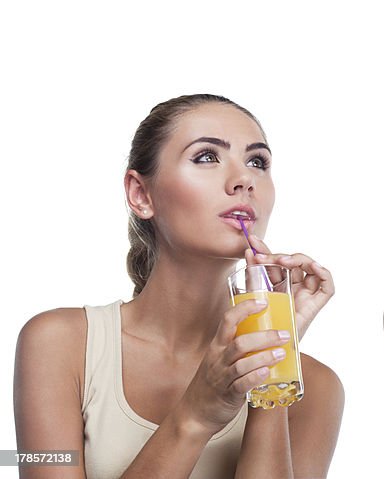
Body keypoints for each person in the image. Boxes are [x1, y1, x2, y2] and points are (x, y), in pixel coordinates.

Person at [14, 94, 344, 478]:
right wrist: (195, 415)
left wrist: (273, 370)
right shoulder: (58, 344)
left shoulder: (316, 388)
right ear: (141, 194)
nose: (244, 180)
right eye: (206, 157)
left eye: (258, 162)